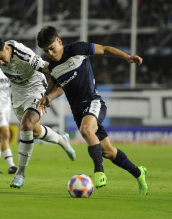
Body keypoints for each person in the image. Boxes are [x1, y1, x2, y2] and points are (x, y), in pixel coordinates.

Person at [36, 26, 148, 195]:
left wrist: (127, 57)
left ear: (59, 41)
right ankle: (139, 174)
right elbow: (59, 88)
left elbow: (104, 49)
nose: (50, 53)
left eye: (52, 48)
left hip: (94, 102)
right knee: (109, 152)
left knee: (86, 130)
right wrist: (48, 97)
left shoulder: (77, 49)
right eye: (46, 51)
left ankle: (99, 172)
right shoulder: (53, 68)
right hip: (78, 113)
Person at [0, 36, 76, 188]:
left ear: (7, 49)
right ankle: (62, 140)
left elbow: (50, 68)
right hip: (17, 94)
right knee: (34, 131)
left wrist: (50, 93)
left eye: (1, 58)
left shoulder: (24, 55)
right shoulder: (1, 56)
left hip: (35, 88)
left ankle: (20, 173)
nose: (1, 63)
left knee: (26, 125)